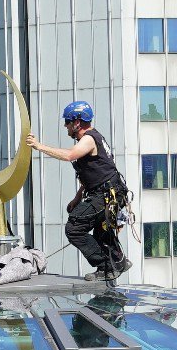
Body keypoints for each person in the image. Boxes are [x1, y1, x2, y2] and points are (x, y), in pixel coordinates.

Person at [25, 101, 131, 282]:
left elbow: (68, 156)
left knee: (74, 228)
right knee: (100, 233)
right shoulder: (92, 138)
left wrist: (39, 146)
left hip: (106, 193)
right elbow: (94, 172)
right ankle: (117, 261)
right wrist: (77, 197)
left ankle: (108, 265)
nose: (65, 125)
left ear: (77, 122)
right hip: (106, 191)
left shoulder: (89, 139)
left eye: (67, 121)